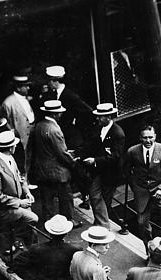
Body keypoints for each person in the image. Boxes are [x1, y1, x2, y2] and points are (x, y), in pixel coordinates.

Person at [44, 65, 93, 210]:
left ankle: (86, 196)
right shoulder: (54, 95)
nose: (47, 83)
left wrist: (76, 124)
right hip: (62, 137)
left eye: (49, 81)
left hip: (72, 138)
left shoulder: (70, 95)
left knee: (78, 169)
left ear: (54, 81)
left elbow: (88, 113)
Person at [123, 125, 161, 248]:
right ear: (140, 138)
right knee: (141, 223)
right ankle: (150, 248)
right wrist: (135, 186)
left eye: (150, 137)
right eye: (145, 138)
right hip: (141, 191)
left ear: (155, 137)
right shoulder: (132, 151)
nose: (148, 141)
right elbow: (126, 170)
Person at [31, 100, 81, 228]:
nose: (61, 115)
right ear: (54, 114)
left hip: (42, 169)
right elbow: (62, 153)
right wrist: (73, 163)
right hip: (58, 171)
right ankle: (69, 221)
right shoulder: (54, 130)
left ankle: (49, 222)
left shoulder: (39, 126)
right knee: (65, 197)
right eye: (59, 113)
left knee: (47, 198)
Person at [0, 130, 38, 252]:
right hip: (6, 209)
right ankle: (17, 238)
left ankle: (31, 250)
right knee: (33, 219)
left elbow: (20, 178)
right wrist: (20, 203)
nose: (15, 146)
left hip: (18, 202)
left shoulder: (10, 158)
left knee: (33, 230)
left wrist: (27, 193)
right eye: (14, 145)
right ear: (10, 148)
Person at [80, 103, 125, 229]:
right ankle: (103, 224)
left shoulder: (118, 133)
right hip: (99, 170)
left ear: (109, 117)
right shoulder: (98, 128)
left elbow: (115, 156)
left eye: (101, 117)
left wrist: (95, 160)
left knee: (105, 199)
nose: (98, 119)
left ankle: (101, 225)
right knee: (94, 195)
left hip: (111, 172)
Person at [2, 75, 36, 173]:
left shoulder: (26, 99)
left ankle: (27, 180)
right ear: (18, 88)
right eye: (25, 86)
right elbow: (6, 121)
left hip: (30, 132)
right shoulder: (8, 102)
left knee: (29, 156)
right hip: (20, 135)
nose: (28, 88)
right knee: (21, 158)